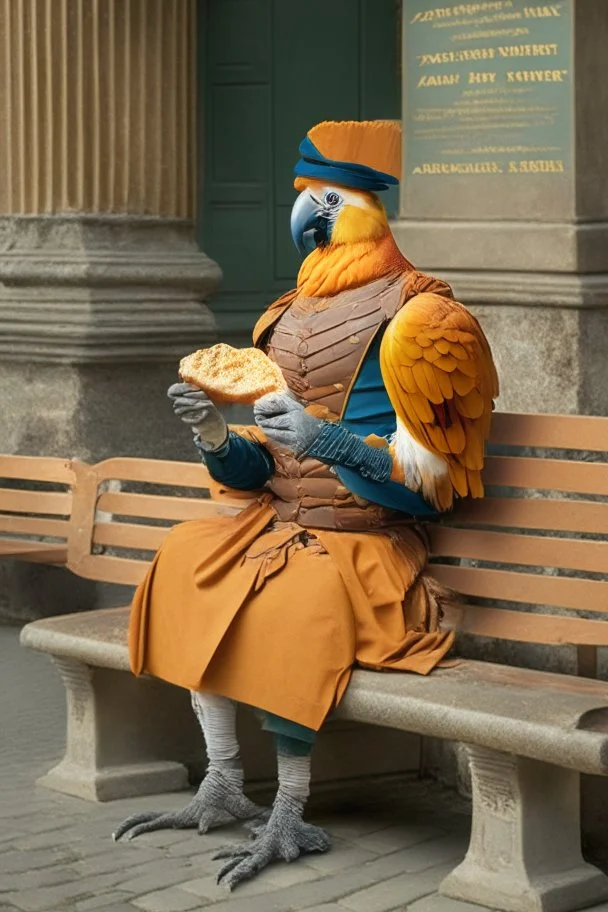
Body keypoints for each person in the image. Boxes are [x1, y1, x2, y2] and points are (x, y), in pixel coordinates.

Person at [114, 120, 498, 889]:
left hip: (370, 544)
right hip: (282, 526)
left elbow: (431, 489)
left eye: (329, 199)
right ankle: (222, 777)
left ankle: (292, 804)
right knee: (190, 559)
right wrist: (217, 434)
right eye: (306, 199)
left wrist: (330, 442)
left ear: (370, 211)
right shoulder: (284, 317)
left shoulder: (422, 321)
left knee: (292, 599)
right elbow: (262, 473)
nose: (310, 214)